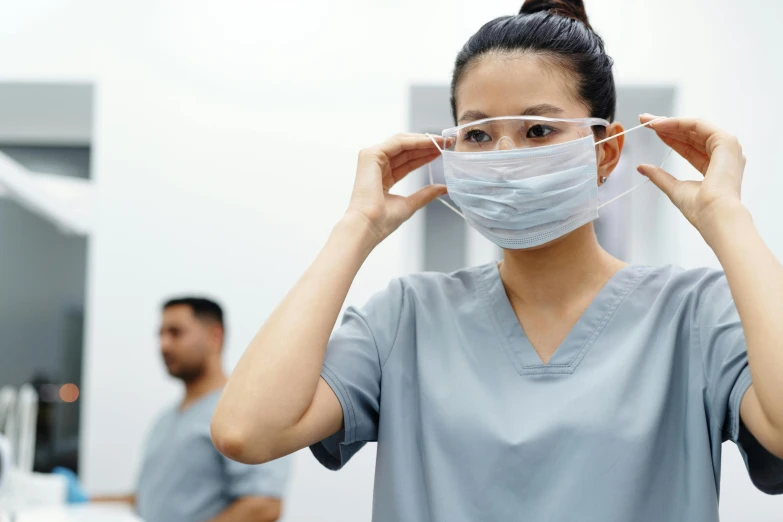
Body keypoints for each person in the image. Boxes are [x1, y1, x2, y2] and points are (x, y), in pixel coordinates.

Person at [211, 1, 783, 521]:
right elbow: (246, 431)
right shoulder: (406, 317)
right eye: (479, 135)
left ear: (605, 151)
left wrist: (728, 218)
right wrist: (354, 228)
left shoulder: (695, 316)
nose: (505, 157)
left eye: (537, 129)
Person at [93, 297, 291, 522]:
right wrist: (81, 502)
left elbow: (263, 505)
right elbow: (146, 500)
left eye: (175, 333)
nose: (163, 344)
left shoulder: (244, 413)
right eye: (160, 334)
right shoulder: (166, 420)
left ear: (214, 337)